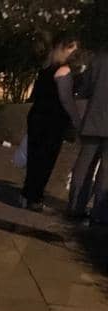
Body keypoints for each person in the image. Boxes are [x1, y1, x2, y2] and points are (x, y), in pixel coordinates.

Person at [20, 32, 81, 211]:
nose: (74, 52)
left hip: (37, 116)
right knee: (46, 160)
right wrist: (76, 120)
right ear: (63, 47)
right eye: (71, 48)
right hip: (53, 120)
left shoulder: (46, 66)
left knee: (34, 158)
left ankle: (28, 194)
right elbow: (66, 100)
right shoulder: (64, 70)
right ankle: (34, 197)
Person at [67, 45, 108, 224]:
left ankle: (76, 206)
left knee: (84, 164)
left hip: (93, 120)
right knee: (106, 170)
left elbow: (84, 90)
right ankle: (100, 212)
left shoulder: (98, 59)